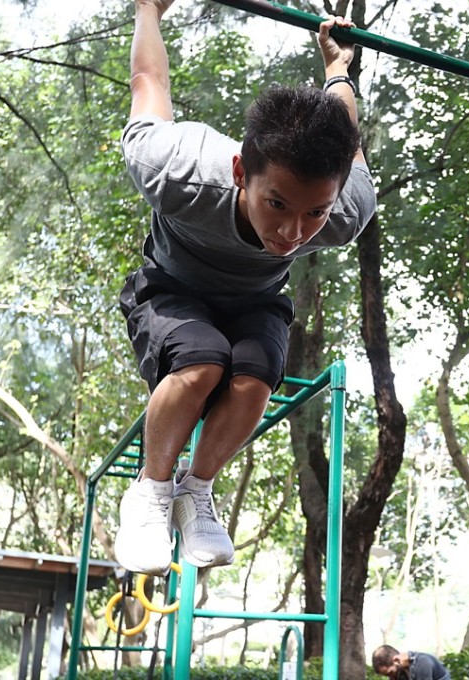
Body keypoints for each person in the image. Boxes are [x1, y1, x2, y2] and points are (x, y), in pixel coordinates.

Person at [114, 0, 376, 576]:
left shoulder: (345, 211)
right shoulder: (177, 170)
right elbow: (148, 80)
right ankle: (151, 493)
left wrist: (338, 71)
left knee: (257, 373)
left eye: (313, 213)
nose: (291, 231)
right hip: (171, 286)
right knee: (202, 361)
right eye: (276, 204)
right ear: (239, 174)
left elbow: (346, 141)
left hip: (255, 300)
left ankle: (195, 492)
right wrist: (148, 10)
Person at [371, 645, 451, 680]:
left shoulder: (422, 663)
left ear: (396, 660)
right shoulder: (400, 672)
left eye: (390, 673)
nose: (391, 677)